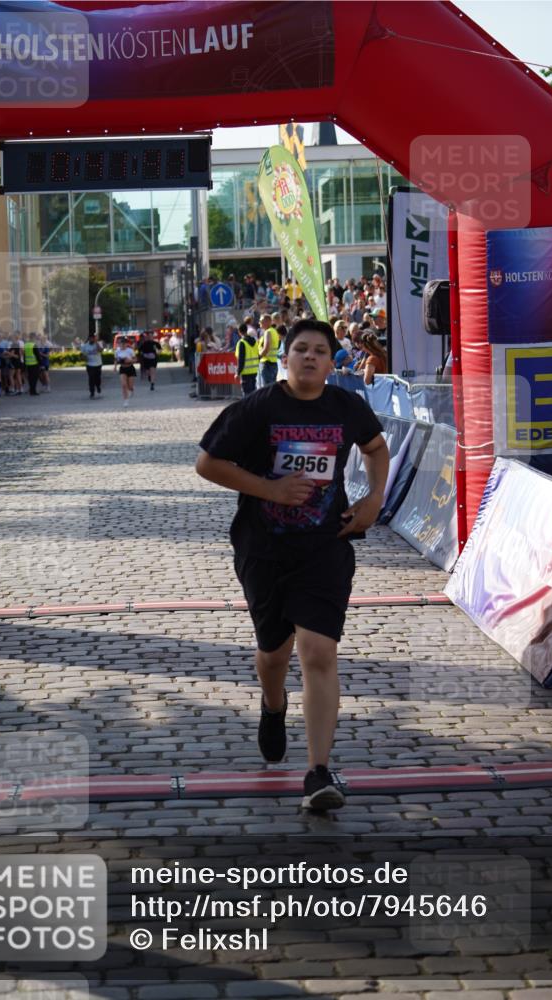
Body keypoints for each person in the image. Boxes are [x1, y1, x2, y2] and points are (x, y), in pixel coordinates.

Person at [196, 319, 390, 811]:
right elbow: (207, 463)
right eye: (300, 349)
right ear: (284, 357)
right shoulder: (258, 408)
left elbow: (376, 448)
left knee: (319, 651)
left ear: (332, 361)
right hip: (264, 548)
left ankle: (318, 772)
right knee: (274, 654)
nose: (309, 357)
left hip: (325, 546)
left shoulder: (346, 406)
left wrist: (372, 502)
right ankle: (273, 703)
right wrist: (271, 490)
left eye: (320, 351)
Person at [235, 321, 259, 396]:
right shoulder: (254, 341)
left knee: (247, 394)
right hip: (254, 370)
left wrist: (238, 373)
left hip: (245, 372)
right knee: (253, 393)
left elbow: (241, 359)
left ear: (239, 332)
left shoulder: (241, 343)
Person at [258, 314, 280, 386]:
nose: (259, 322)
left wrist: (258, 357)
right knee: (272, 389)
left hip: (267, 363)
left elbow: (266, 348)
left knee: (267, 389)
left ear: (267, 322)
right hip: (273, 363)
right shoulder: (274, 331)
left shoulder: (268, 332)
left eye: (261, 321)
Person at [115, 335, 136, 407]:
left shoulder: (130, 351)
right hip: (122, 368)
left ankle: (131, 390)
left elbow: (135, 360)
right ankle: (125, 401)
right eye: (121, 343)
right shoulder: (117, 351)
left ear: (127, 344)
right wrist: (115, 367)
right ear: (119, 344)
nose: (122, 345)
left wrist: (129, 360)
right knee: (124, 385)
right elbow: (116, 359)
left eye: (124, 343)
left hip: (130, 368)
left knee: (130, 386)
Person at [81, 333, 104, 398]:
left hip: (98, 364)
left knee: (97, 378)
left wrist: (96, 343)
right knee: (91, 378)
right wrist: (84, 357)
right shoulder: (85, 346)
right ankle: (92, 392)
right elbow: (82, 355)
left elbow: (101, 350)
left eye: (93, 338)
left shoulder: (98, 343)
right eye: (90, 338)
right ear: (88, 339)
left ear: (95, 338)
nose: (92, 339)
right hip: (90, 365)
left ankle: (98, 386)